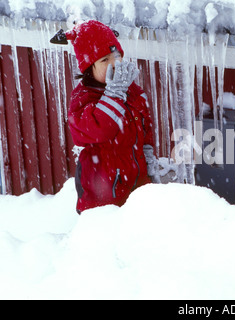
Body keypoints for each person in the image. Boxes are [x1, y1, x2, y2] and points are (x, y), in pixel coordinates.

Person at [50, 20, 159, 213]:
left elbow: (145, 126)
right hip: (102, 192)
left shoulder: (132, 91)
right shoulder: (82, 98)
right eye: (104, 60)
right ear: (88, 67)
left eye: (116, 56)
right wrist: (114, 94)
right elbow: (100, 129)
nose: (114, 64)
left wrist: (149, 158)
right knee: (106, 238)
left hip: (137, 184)